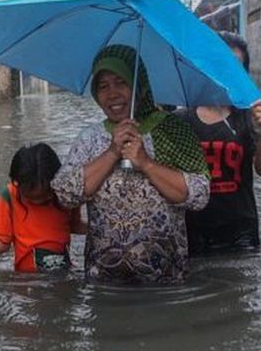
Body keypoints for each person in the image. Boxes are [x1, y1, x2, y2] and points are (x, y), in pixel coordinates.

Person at [51, 44, 210, 285]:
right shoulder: (90, 138)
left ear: (140, 85)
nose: (112, 93)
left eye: (121, 82)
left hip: (165, 282)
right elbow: (65, 195)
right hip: (103, 283)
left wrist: (146, 163)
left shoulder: (171, 131)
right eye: (103, 86)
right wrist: (112, 152)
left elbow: (199, 196)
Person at [175, 31, 261, 254]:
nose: (225, 74)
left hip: (241, 230)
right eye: (219, 65)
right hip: (193, 229)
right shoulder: (181, 120)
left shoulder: (250, 117)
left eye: (234, 68)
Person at [0, 142, 85, 273]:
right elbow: (1, 241)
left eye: (45, 196)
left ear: (56, 182)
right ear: (17, 183)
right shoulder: (10, 196)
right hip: (26, 279)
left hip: (63, 275)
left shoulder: (66, 194)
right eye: (30, 197)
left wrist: (104, 230)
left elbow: (74, 225)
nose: (38, 201)